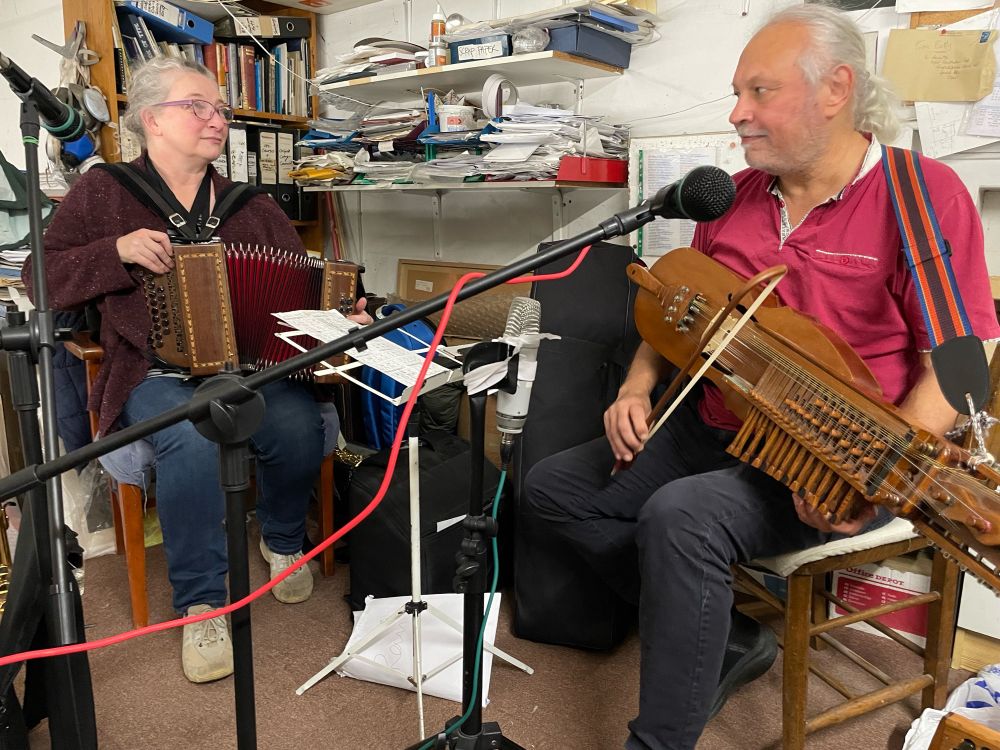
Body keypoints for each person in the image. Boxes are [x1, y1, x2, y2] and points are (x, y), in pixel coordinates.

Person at [523, 5, 1000, 749]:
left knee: (680, 520)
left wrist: (867, 473)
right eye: (736, 93)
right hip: (708, 424)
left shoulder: (922, 196)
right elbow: (676, 308)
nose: (737, 114)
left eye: (758, 92)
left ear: (836, 89)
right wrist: (636, 385)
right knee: (552, 489)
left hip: (827, 461)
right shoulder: (736, 196)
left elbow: (961, 362)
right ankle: (730, 636)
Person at [22, 57, 372, 685]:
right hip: (151, 374)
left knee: (296, 426)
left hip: (250, 371)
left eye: (222, 110)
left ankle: (282, 537)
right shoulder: (104, 192)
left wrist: (340, 312)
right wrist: (115, 251)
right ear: (152, 119)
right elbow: (37, 277)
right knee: (189, 435)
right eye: (200, 106)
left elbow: (295, 291)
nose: (218, 120)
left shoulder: (252, 205)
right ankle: (202, 602)